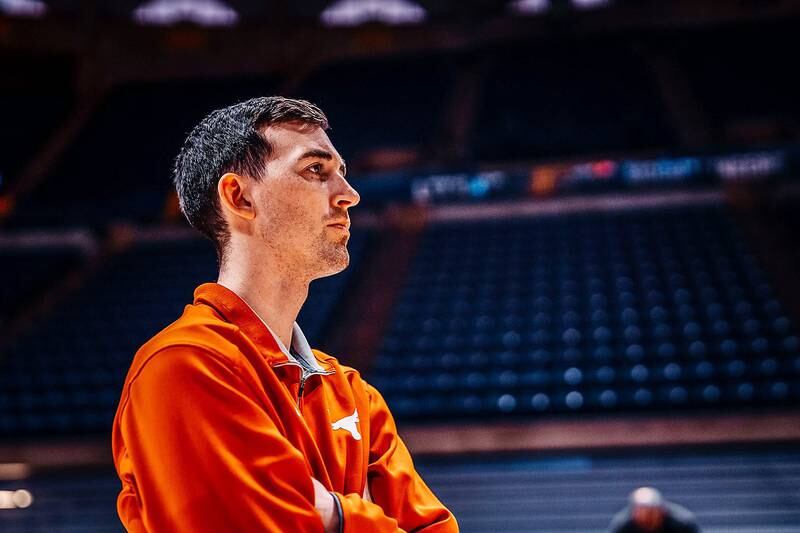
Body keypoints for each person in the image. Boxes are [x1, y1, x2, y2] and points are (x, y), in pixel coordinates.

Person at [111, 96, 458, 532]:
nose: (349, 196)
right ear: (239, 197)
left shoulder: (355, 395)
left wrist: (333, 514)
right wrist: (364, 512)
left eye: (342, 174)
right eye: (316, 170)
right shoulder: (183, 366)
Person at [609, 487, 700, 533]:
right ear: (635, 513)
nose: (647, 519)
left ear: (661, 511)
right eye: (642, 513)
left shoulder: (682, 522)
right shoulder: (623, 525)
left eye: (651, 514)